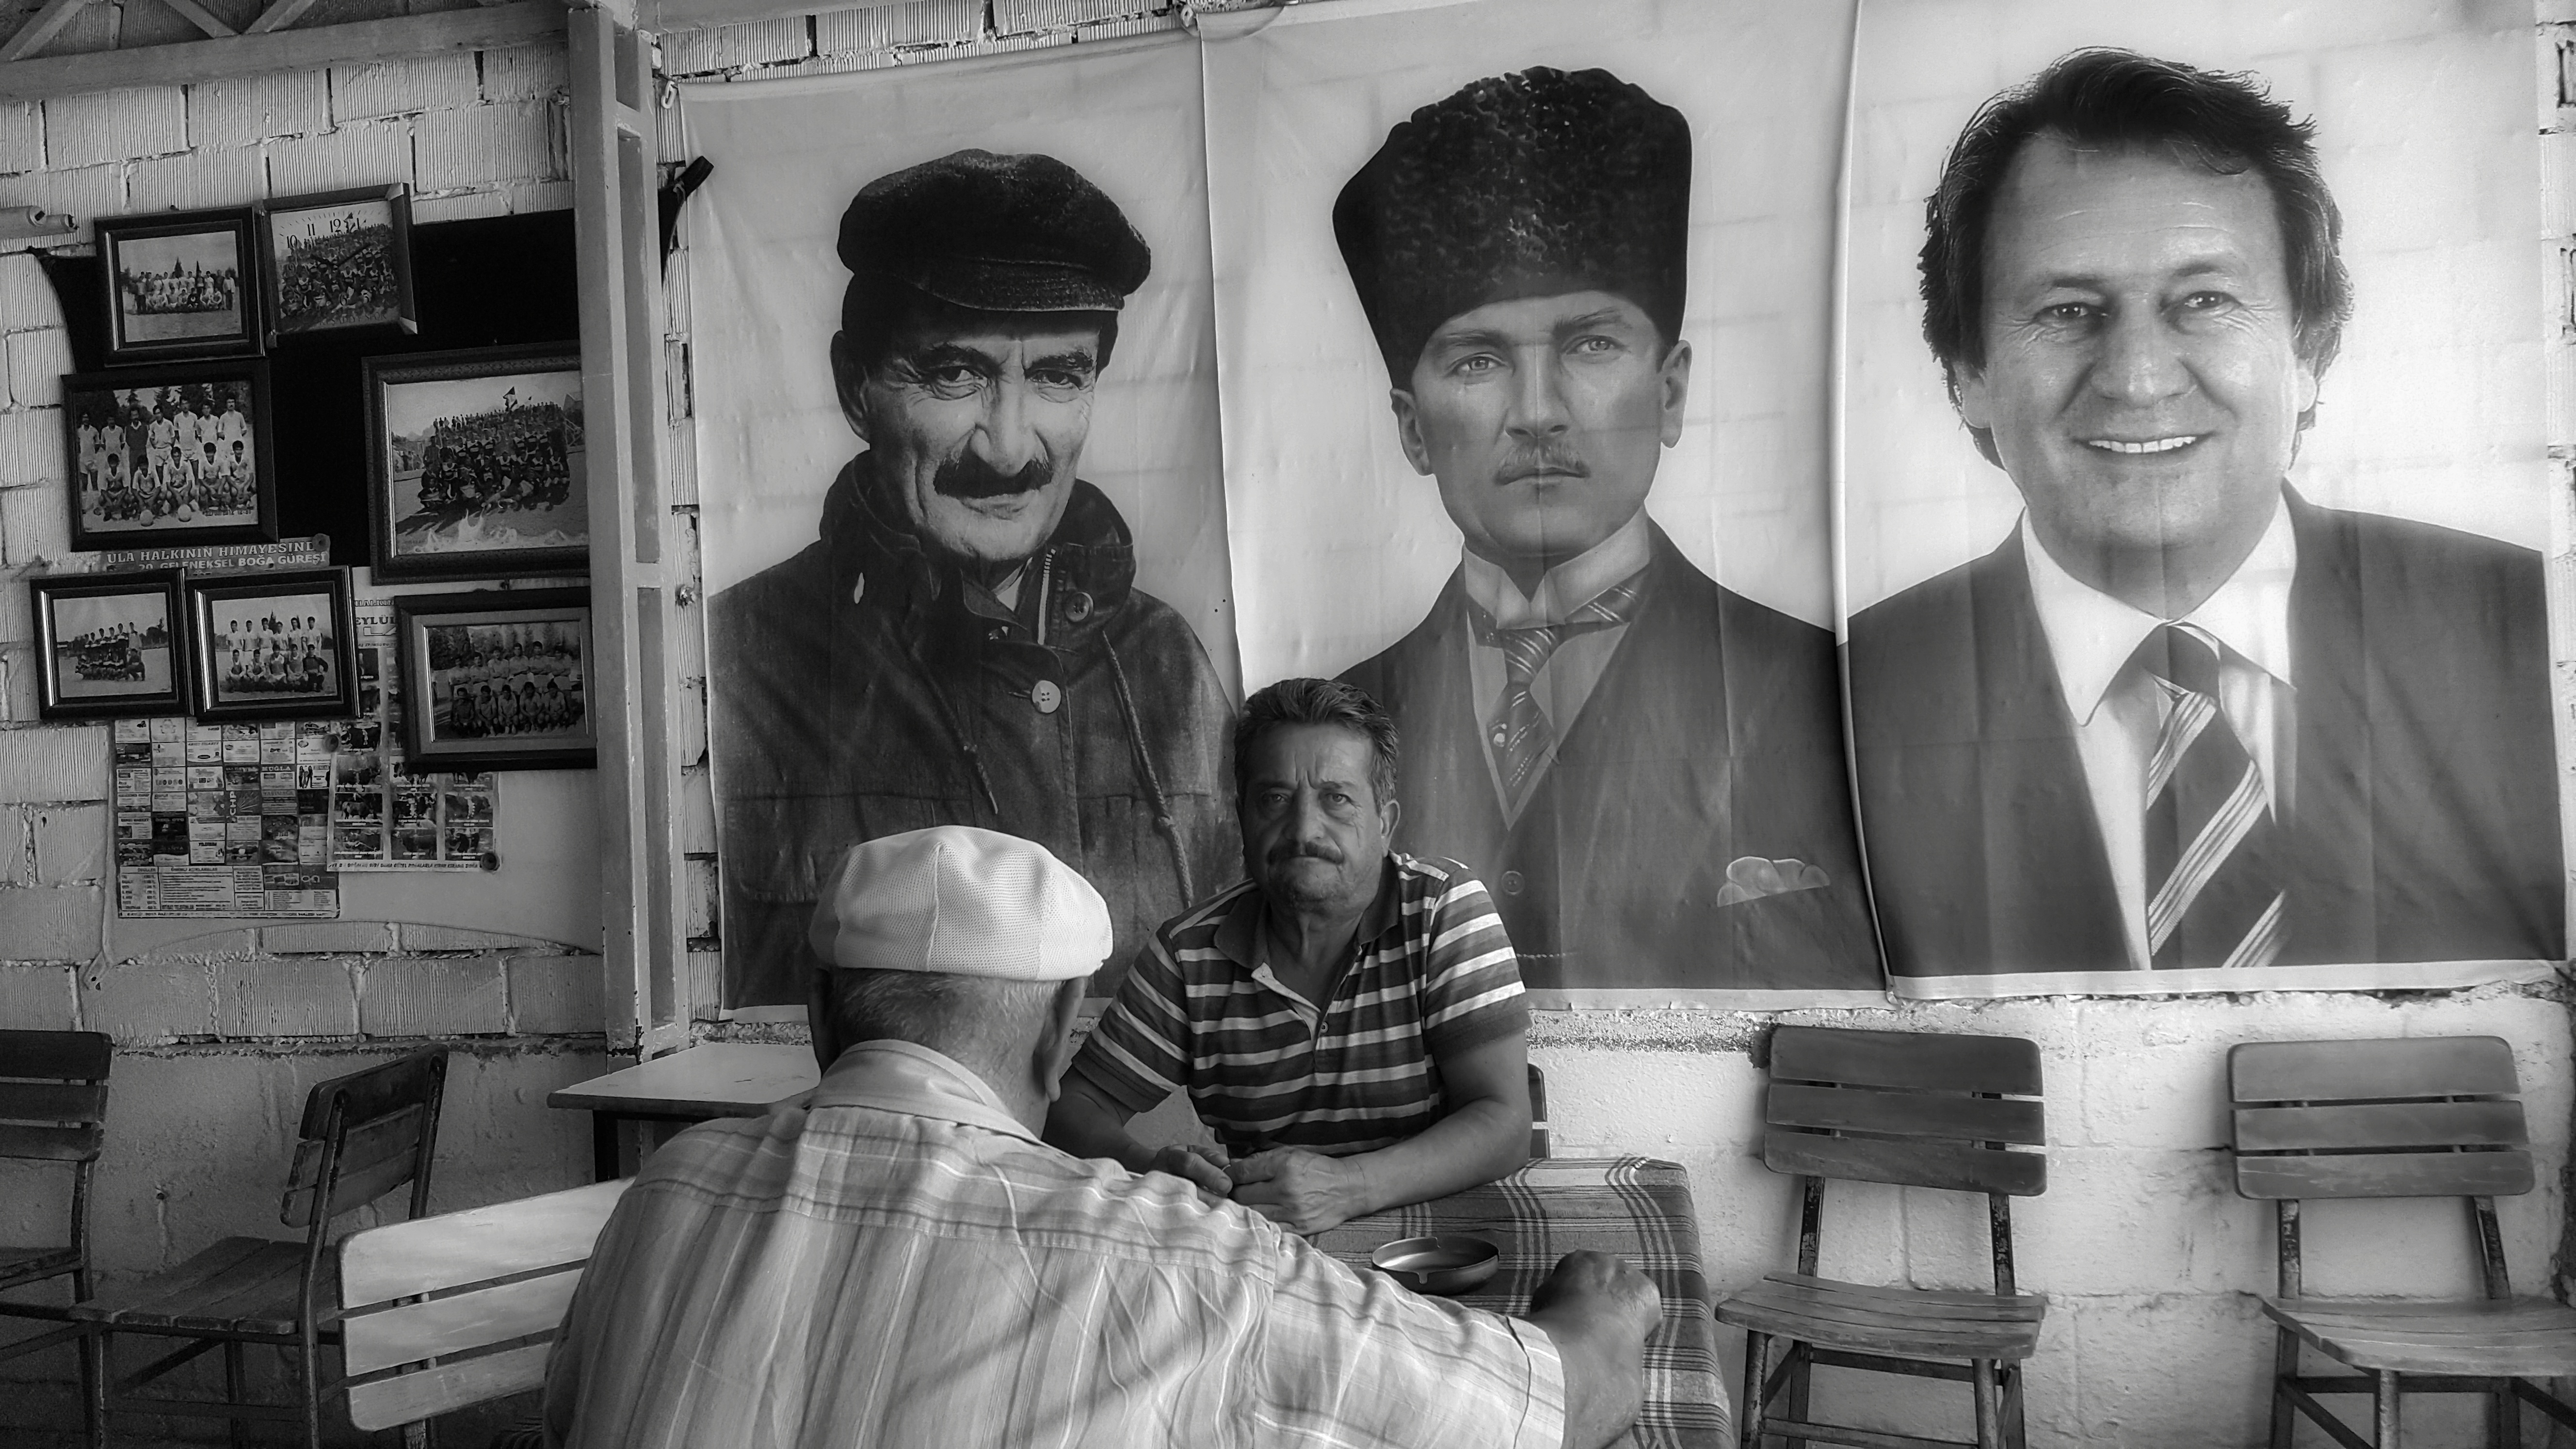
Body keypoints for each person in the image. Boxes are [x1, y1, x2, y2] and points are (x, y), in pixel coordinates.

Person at [543, 825, 1662, 1449]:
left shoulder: (666, 1192)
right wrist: (1597, 1311)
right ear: (1055, 1034)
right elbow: (1554, 1410)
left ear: (818, 1013)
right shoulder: (1180, 1259)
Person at [1846, 49, 2562, 978]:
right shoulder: (1840, 705)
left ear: (2308, 351)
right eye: (2067, 310)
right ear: (1968, 374)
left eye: (2205, 300)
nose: (2138, 379)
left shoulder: (2533, 630)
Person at [1330, 67, 1877, 992]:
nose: (1537, 412)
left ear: (1670, 390)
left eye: (1590, 345)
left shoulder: (1815, 687)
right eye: (1477, 361)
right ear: (1412, 428)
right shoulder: (1344, 713)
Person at [708, 149, 1238, 1009]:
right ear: (855, 388)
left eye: (1059, 376)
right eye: (954, 373)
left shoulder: (1167, 665)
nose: (1009, 448)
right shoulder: (739, 662)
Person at [1048, 678, 1531, 1236]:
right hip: (1267, 1254)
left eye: (1336, 799)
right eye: (1274, 799)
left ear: (1385, 824)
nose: (1303, 829)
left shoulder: (1441, 910)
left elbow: (1504, 1124)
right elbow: (1070, 1112)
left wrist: (1348, 1188)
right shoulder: (1188, 954)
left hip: (1439, 1247)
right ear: (1242, 819)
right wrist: (1152, 1171)